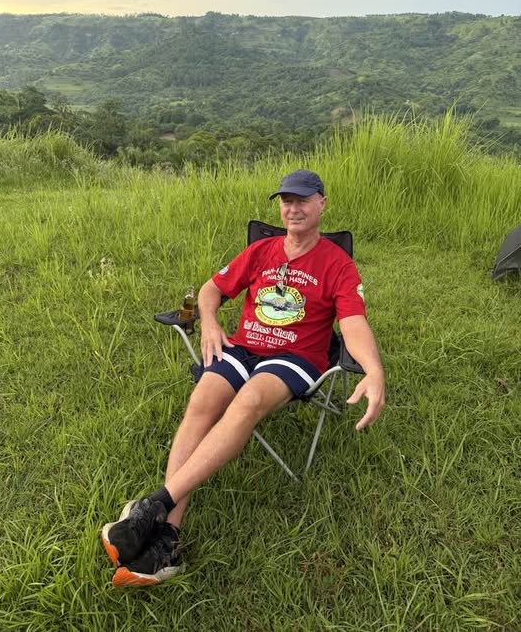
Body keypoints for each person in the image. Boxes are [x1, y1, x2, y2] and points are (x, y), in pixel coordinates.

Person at [101, 169, 385, 587]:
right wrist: (210, 322)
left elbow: (354, 323)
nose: (293, 208)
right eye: (286, 201)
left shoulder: (338, 264)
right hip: (242, 347)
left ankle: (154, 506)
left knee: (248, 401)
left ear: (322, 204)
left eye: (303, 200)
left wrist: (374, 370)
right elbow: (210, 289)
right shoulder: (261, 250)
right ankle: (167, 535)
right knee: (202, 401)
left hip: (294, 358)